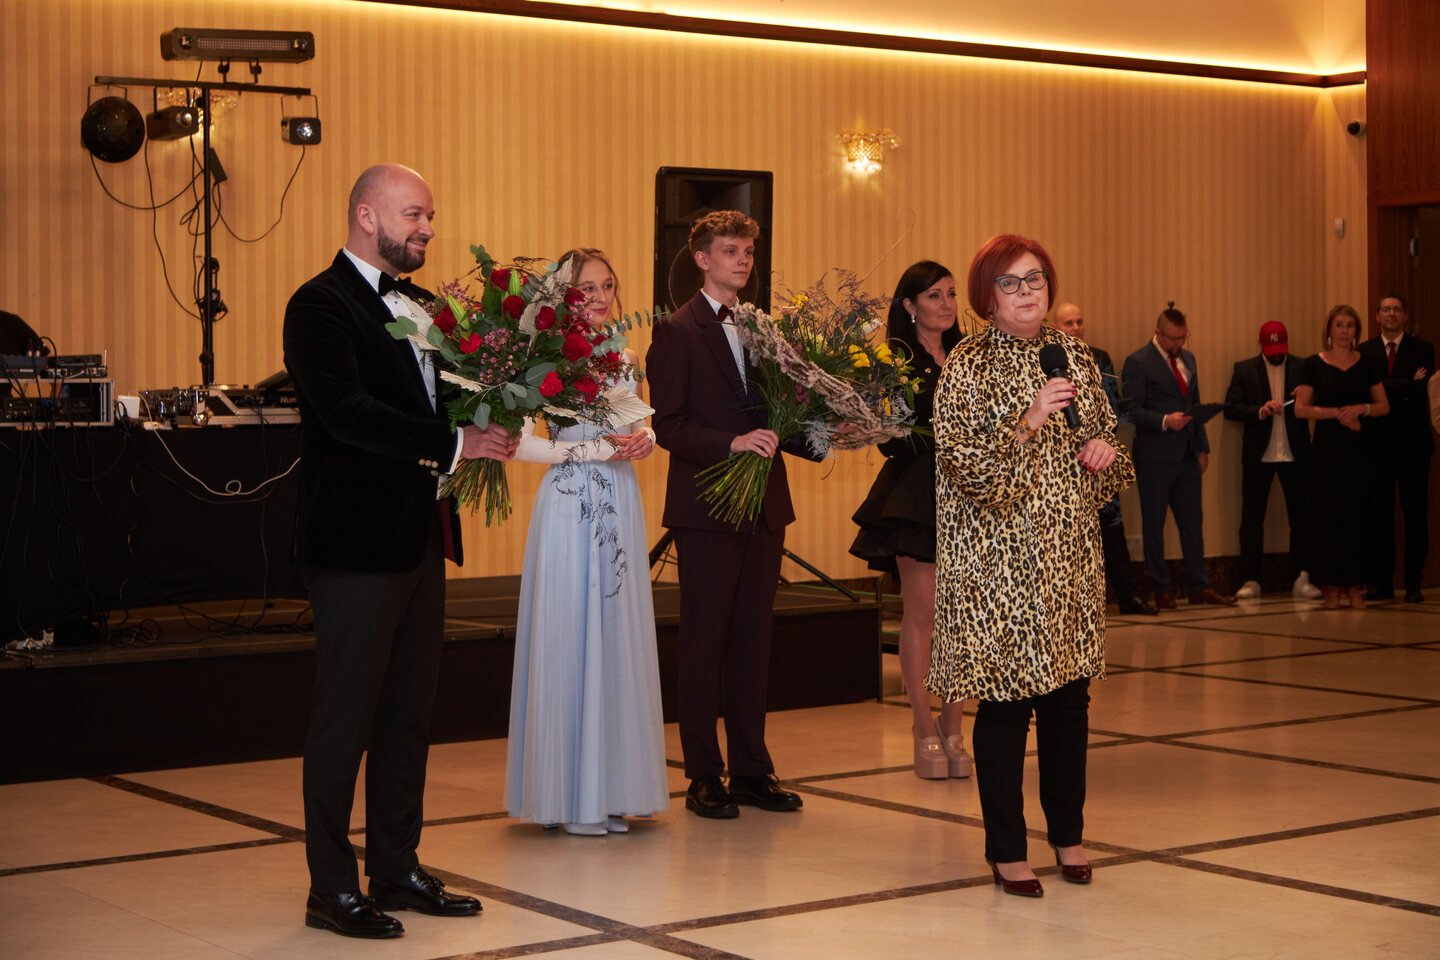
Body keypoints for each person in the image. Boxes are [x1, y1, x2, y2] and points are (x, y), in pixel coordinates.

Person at [283, 163, 516, 939]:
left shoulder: (425, 307)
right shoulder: (319, 304)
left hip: (420, 536)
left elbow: (447, 401)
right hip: (353, 543)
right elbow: (344, 412)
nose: (427, 229)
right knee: (343, 720)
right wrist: (453, 442)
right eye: (414, 214)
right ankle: (330, 888)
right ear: (365, 215)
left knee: (408, 714)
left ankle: (395, 865)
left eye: (430, 216)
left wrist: (501, 406)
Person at [930, 234, 1133, 898]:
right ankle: (1007, 850)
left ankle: (1068, 836)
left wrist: (1104, 454)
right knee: (1007, 707)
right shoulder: (967, 364)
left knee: (1069, 704)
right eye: (1011, 282)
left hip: (1068, 559)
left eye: (1036, 279)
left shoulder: (1074, 355)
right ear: (986, 295)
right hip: (999, 569)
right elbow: (968, 470)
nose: (1027, 292)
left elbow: (1106, 455)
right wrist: (1030, 418)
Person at [646, 210, 810, 820]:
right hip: (708, 507)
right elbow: (668, 426)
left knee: (752, 642)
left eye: (748, 251)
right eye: (731, 251)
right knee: (704, 642)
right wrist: (731, 444)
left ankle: (750, 770)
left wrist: (827, 432)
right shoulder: (676, 331)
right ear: (702, 258)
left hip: (764, 506)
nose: (743, 260)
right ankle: (702, 774)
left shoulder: (763, 328)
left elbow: (780, 414)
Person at [505, 248, 669, 836]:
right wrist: (595, 449)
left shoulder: (625, 356)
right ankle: (569, 797)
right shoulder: (539, 357)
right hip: (570, 501)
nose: (600, 298)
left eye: (608, 286)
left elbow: (634, 424)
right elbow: (518, 444)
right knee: (572, 632)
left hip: (621, 501)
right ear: (563, 298)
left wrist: (646, 437)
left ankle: (608, 794)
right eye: (587, 289)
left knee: (614, 636)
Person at [850, 260, 973, 779]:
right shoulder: (892, 361)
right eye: (934, 296)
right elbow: (887, 438)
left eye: (951, 294)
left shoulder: (969, 357)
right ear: (909, 305)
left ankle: (954, 724)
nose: (946, 305)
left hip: (970, 493)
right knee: (923, 615)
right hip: (916, 495)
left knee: (961, 618)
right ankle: (923, 726)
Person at [1122, 305, 1234, 609]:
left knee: (1192, 523)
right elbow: (1129, 410)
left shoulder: (1189, 359)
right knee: (1154, 524)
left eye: (1183, 337)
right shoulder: (1138, 362)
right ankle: (1162, 588)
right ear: (1158, 333)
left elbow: (1194, 405)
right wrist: (1163, 421)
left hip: (1186, 454)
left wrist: (1202, 447)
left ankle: (1200, 585)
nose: (1178, 344)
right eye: (1172, 338)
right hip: (1154, 456)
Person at [1051, 302, 1155, 616]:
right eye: (1068, 323)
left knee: (1112, 529)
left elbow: (1111, 406)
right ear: (1055, 326)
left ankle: (1128, 596)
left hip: (1097, 458)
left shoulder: (1098, 357)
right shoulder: (1046, 359)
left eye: (1079, 321)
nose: (1076, 328)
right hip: (1059, 465)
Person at [1294, 305, 1389, 609]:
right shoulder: (1313, 364)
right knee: (1328, 518)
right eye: (1339, 325)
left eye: (1350, 325)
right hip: (1327, 451)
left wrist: (1362, 409)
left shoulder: (1368, 363)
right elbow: (1301, 409)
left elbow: (1383, 406)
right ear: (1329, 330)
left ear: (1356, 331)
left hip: (1359, 450)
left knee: (1356, 517)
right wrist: (1337, 413)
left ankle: (1355, 587)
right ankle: (1331, 587)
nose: (1345, 331)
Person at [1222, 321, 1320, 600]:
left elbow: (1319, 401)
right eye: (1271, 350)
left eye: (1280, 349)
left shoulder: (1304, 367)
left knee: (1301, 518)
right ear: (1260, 345)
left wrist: (1306, 398)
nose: (1276, 354)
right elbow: (1231, 408)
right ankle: (1251, 579)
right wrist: (1260, 411)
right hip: (1259, 453)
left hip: (1296, 452)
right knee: (1252, 520)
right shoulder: (1244, 369)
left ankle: (1302, 577)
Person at [1358, 295, 1434, 603]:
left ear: (1404, 316)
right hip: (1376, 445)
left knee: (1415, 514)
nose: (1391, 314)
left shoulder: (1423, 349)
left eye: (1397, 310)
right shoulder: (1364, 351)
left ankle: (1414, 582)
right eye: (1386, 309)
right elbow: (1365, 391)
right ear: (1377, 316)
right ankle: (1382, 582)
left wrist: (1384, 386)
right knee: (1379, 515)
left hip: (1414, 445)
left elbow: (1421, 389)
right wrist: (1405, 383)